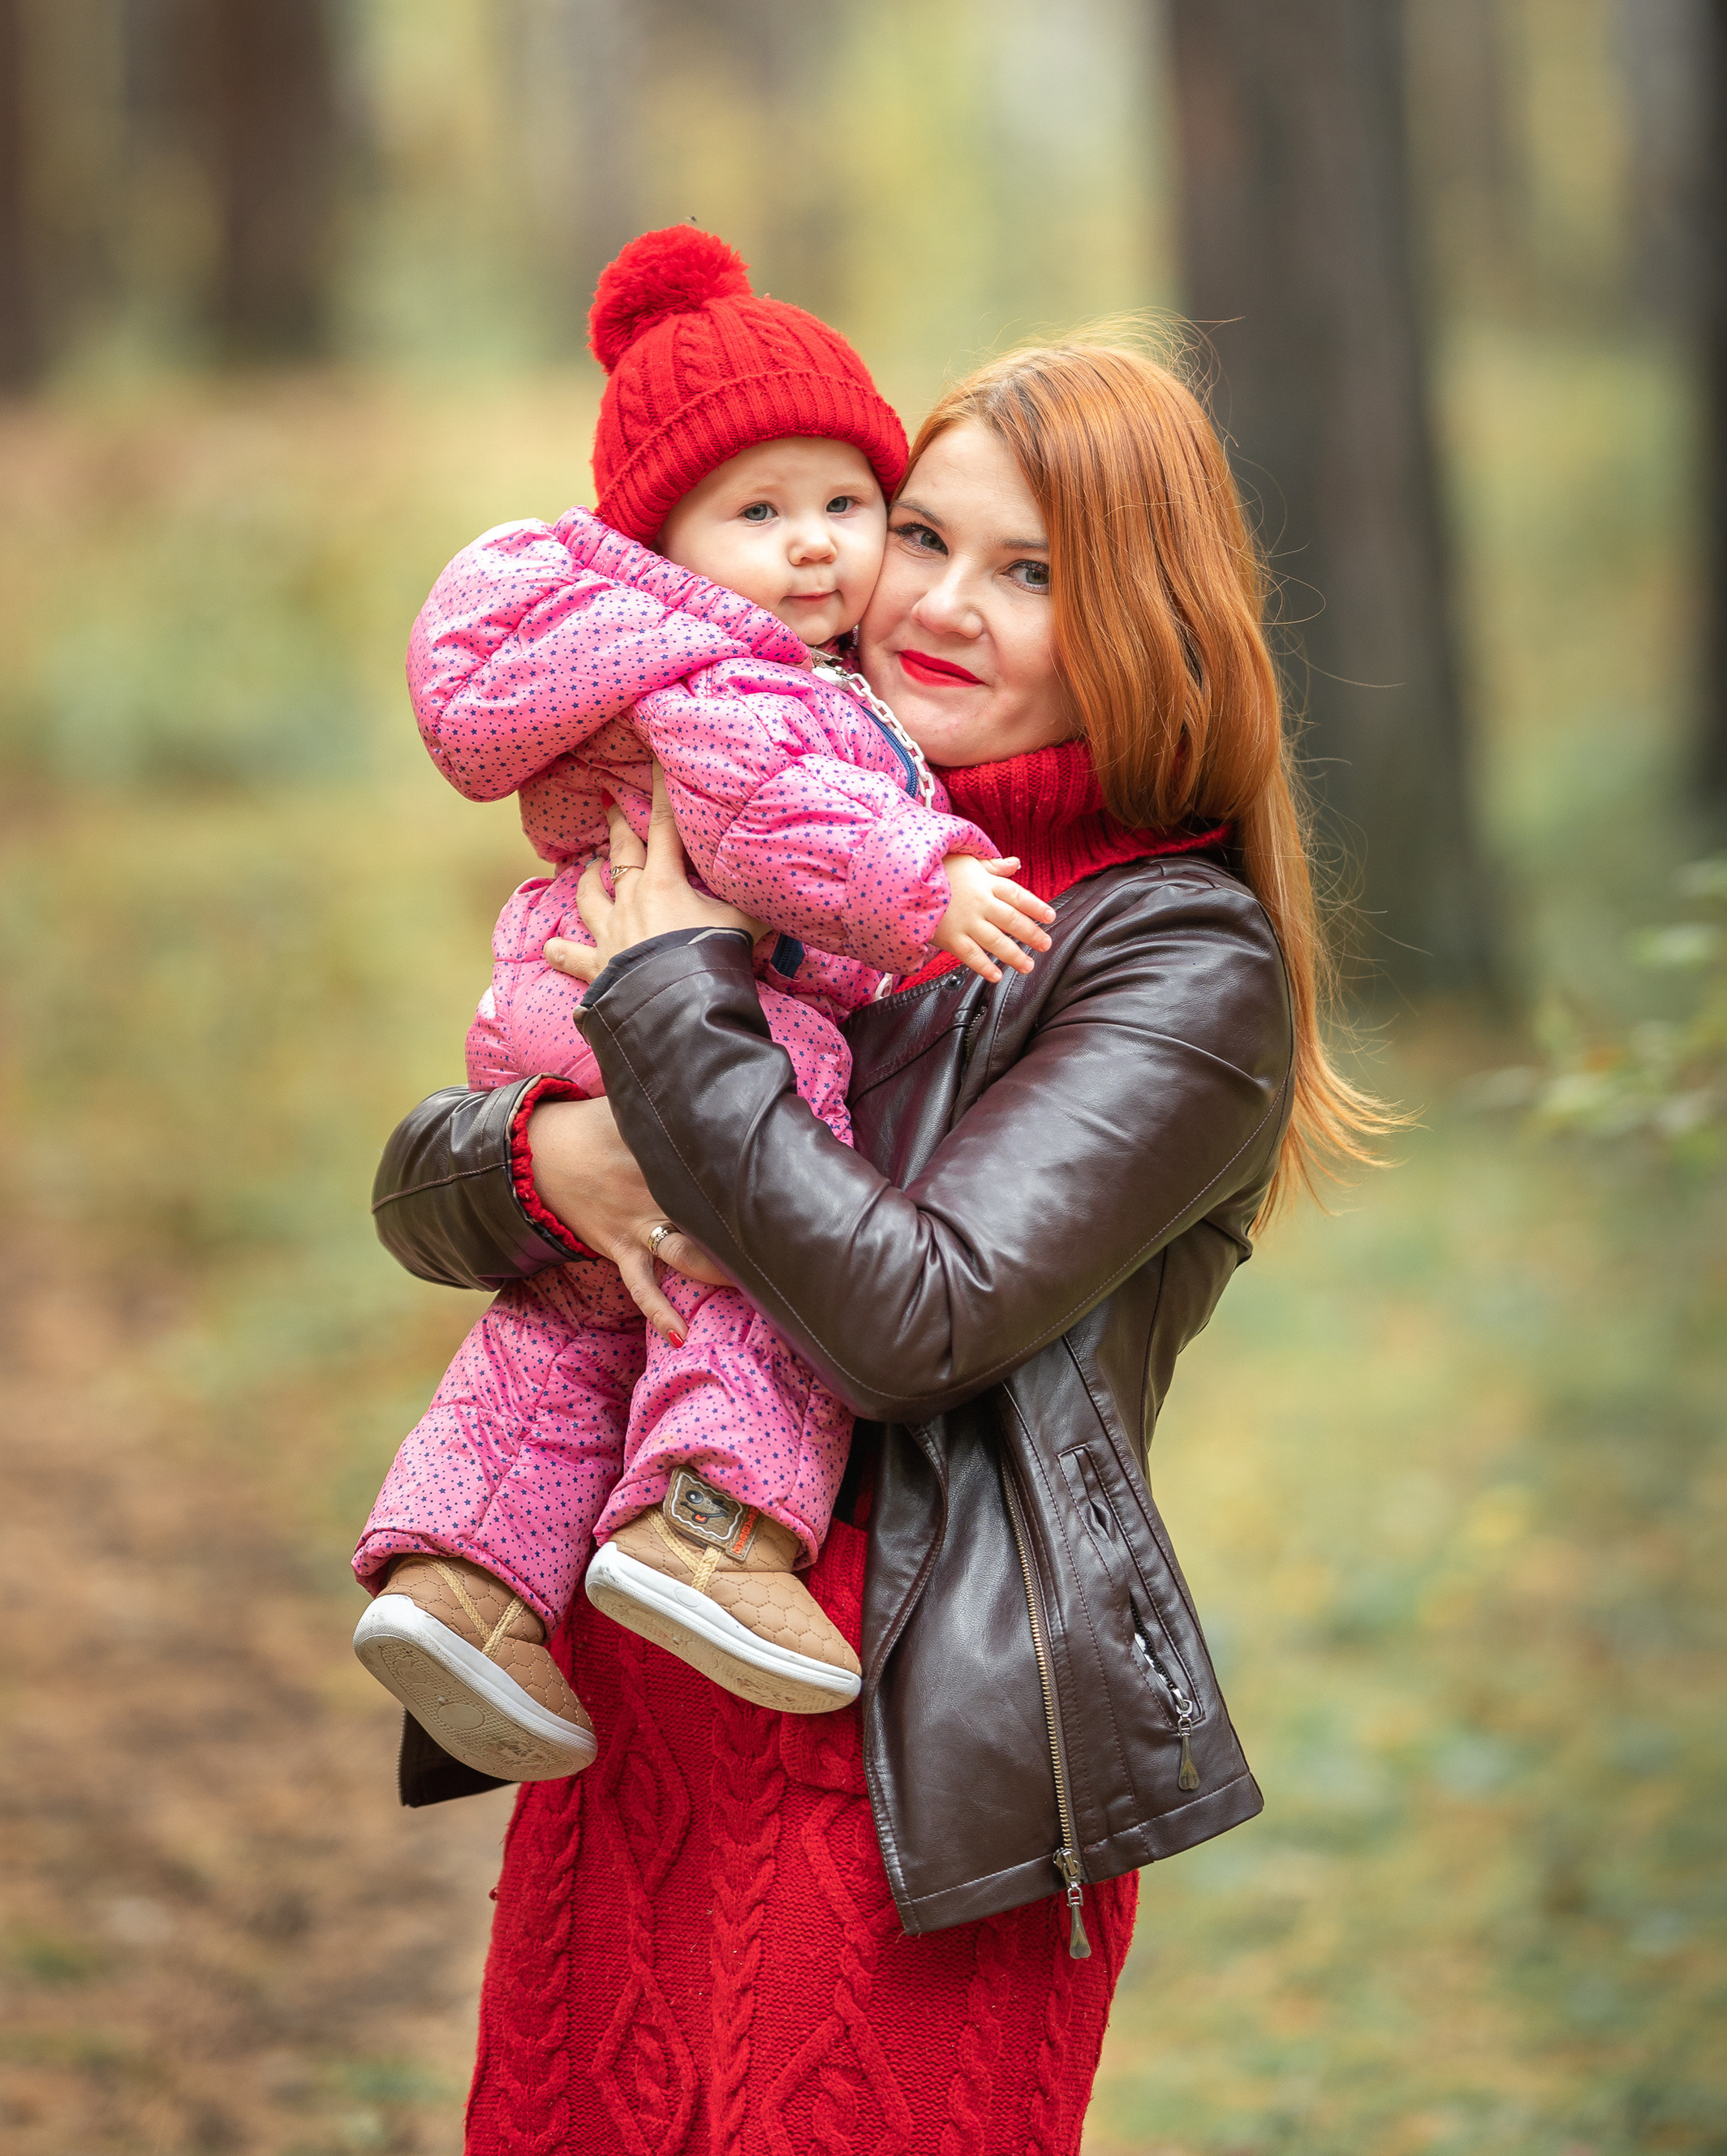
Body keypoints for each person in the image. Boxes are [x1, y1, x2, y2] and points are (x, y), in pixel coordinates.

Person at [370, 335, 1383, 2156]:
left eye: (1030, 572)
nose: (936, 604)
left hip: (908, 1770)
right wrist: (554, 1162)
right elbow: (418, 1188)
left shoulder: (1173, 959)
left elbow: (910, 1319)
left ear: (1144, 624)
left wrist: (672, 997)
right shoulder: (787, 833)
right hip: (650, 1686)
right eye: (921, 536)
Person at [351, 227, 1055, 1774]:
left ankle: (461, 1581)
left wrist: (552, 1158)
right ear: (662, 545)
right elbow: (769, 818)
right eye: (760, 513)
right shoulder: (728, 678)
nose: (816, 552)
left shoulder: (664, 659)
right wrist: (927, 880)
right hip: (694, 994)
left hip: (568, 995)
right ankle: (714, 1522)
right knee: (753, 1232)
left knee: (578, 1318)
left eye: (847, 507)